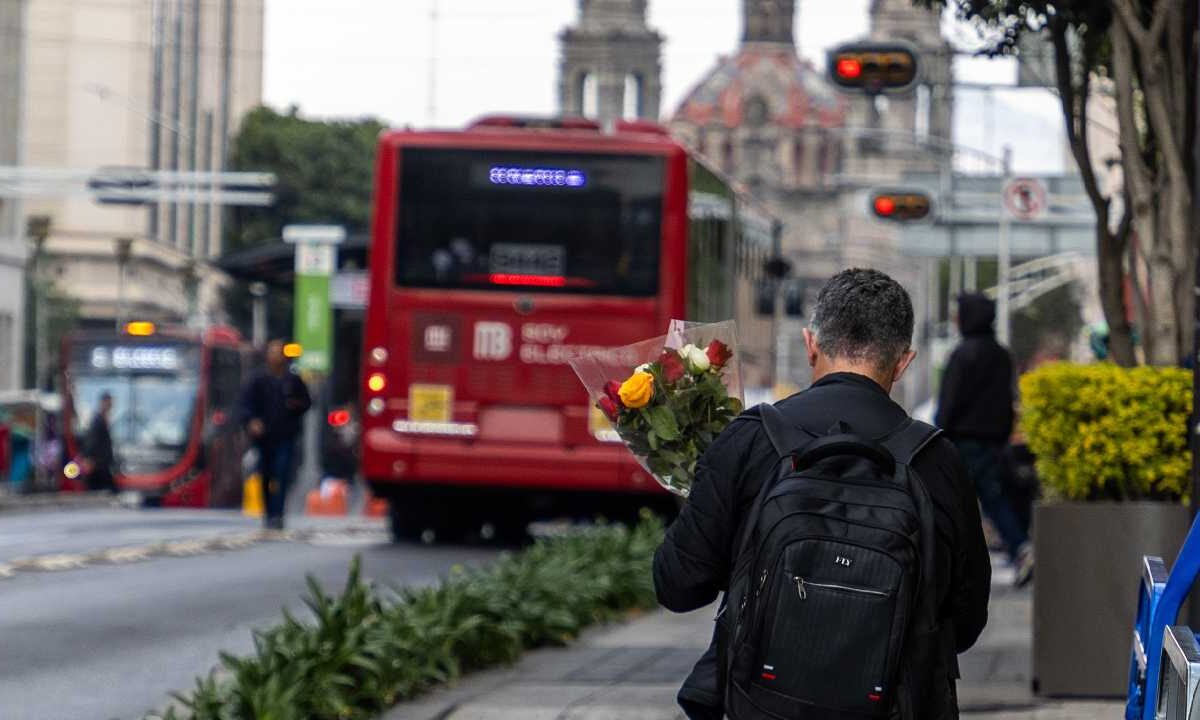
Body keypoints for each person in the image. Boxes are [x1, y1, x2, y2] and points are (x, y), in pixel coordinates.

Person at [654, 268, 991, 720]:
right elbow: (966, 623)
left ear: (810, 343)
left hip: (762, 705)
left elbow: (677, 586)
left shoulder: (751, 440)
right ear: (903, 361)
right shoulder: (937, 461)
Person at [936, 293, 1033, 587]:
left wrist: (940, 430)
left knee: (950, 502)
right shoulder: (1001, 355)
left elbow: (949, 401)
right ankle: (1019, 548)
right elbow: (1008, 399)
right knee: (992, 499)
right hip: (994, 443)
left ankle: (1017, 548)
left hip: (963, 442)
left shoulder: (963, 354)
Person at [239, 340, 311, 530]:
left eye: (279, 352)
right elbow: (245, 405)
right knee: (265, 474)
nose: (276, 356)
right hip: (264, 438)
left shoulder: (293, 380)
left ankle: (278, 514)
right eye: (272, 352)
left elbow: (306, 402)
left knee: (281, 473)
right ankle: (268, 512)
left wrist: (296, 406)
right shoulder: (258, 380)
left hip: (285, 435)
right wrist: (252, 421)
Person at [82, 392, 117, 493]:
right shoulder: (97, 420)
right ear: (103, 403)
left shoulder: (104, 419)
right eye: (109, 402)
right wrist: (88, 458)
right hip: (97, 464)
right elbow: (92, 440)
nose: (111, 405)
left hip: (103, 464)